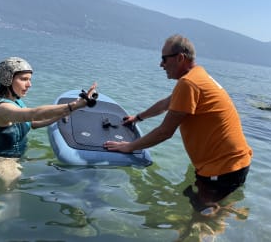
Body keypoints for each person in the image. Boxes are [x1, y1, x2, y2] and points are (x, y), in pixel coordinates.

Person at [104, 34, 252, 215]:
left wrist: (129, 147)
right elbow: (166, 104)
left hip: (223, 169)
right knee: (192, 201)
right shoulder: (198, 76)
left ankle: (215, 223)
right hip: (232, 165)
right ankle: (225, 213)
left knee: (201, 220)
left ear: (180, 58)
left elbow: (165, 132)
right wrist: (138, 117)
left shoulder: (189, 83)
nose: (161, 65)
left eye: (164, 59)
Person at [0, 56, 97, 185]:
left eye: (29, 80)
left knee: (62, 172)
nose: (29, 84)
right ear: (7, 79)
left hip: (17, 156)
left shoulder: (16, 101)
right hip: (3, 162)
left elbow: (32, 123)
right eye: (24, 79)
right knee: (10, 202)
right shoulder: (2, 108)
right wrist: (73, 105)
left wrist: (65, 112)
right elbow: (33, 114)